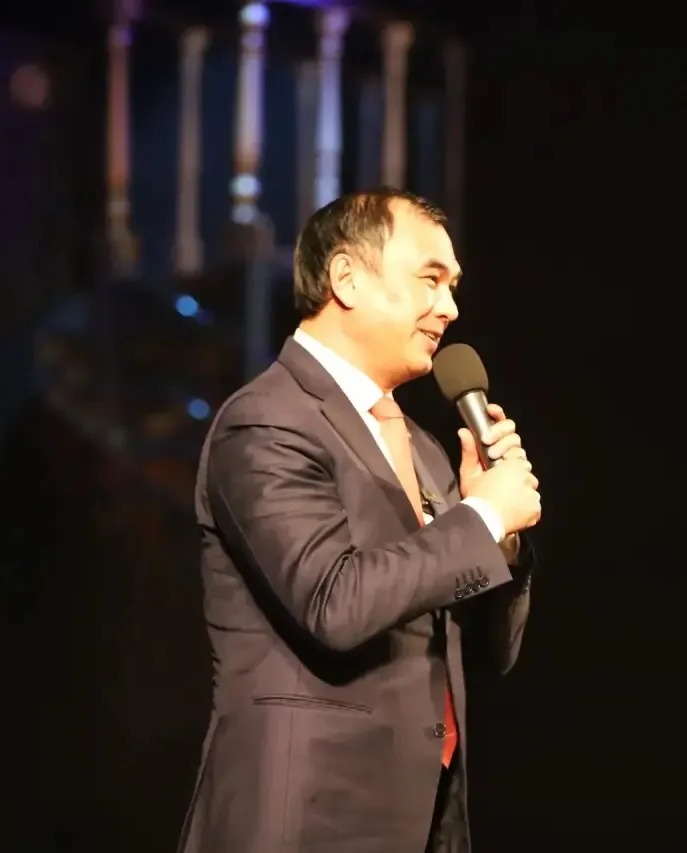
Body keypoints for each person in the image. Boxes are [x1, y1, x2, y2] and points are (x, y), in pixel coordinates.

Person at [178, 188, 542, 853]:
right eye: (430, 278)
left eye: (453, 286)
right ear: (346, 278)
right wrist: (482, 517)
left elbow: (485, 652)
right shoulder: (267, 422)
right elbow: (334, 603)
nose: (450, 307)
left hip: (422, 823)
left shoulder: (424, 451)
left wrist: (504, 538)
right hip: (305, 824)